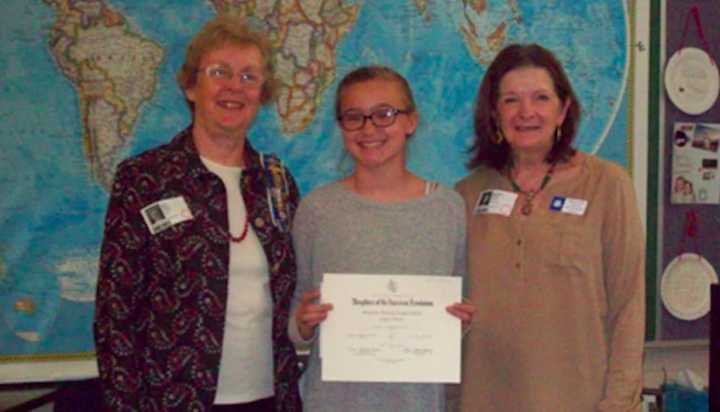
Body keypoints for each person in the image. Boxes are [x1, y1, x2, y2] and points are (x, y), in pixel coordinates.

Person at [93, 15, 302, 411]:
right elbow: (114, 314)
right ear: (192, 85)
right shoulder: (145, 179)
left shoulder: (275, 181)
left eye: (249, 76)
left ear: (262, 92)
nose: (233, 87)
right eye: (219, 72)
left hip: (271, 398)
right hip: (173, 400)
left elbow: (298, 287)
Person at [455, 44, 645, 412]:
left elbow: (629, 307)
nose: (526, 112)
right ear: (494, 113)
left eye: (541, 97)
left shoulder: (606, 185)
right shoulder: (466, 195)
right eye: (511, 100)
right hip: (483, 398)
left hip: (580, 400)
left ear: (564, 109)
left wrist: (619, 404)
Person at [288, 66, 474, 412]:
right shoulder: (317, 209)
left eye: (384, 114)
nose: (369, 128)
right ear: (342, 127)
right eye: (354, 116)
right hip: (331, 402)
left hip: (417, 403)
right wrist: (302, 323)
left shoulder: (448, 209)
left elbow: (458, 303)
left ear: (410, 122)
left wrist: (458, 323)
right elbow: (297, 311)